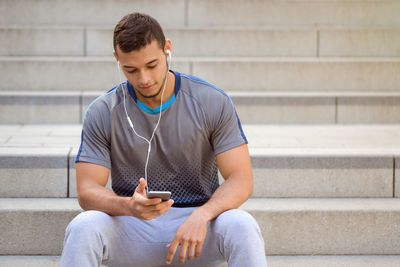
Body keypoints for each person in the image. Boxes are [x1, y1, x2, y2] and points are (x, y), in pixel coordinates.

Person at [60, 12, 267, 267]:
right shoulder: (103, 111)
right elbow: (87, 191)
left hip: (197, 229)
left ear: (167, 49)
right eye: (131, 69)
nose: (144, 79)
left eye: (152, 65)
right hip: (133, 225)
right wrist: (129, 207)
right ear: (117, 60)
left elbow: (241, 179)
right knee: (83, 226)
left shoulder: (212, 101)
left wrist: (202, 215)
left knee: (242, 225)